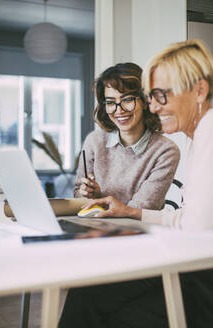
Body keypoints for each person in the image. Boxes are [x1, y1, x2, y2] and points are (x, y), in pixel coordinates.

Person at [58, 40, 213, 328]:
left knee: (92, 302)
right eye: (150, 96)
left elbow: (198, 232)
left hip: (198, 277)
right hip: (188, 265)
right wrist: (130, 213)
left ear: (199, 91)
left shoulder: (207, 134)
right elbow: (188, 219)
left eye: (159, 95)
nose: (153, 105)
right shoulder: (198, 137)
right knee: (89, 298)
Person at [74, 62, 179, 211]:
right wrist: (89, 194)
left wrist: (100, 201)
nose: (119, 110)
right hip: (95, 227)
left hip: (140, 231)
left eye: (127, 100)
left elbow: (141, 210)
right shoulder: (94, 141)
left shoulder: (166, 151)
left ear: (144, 101)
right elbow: (78, 198)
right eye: (110, 102)